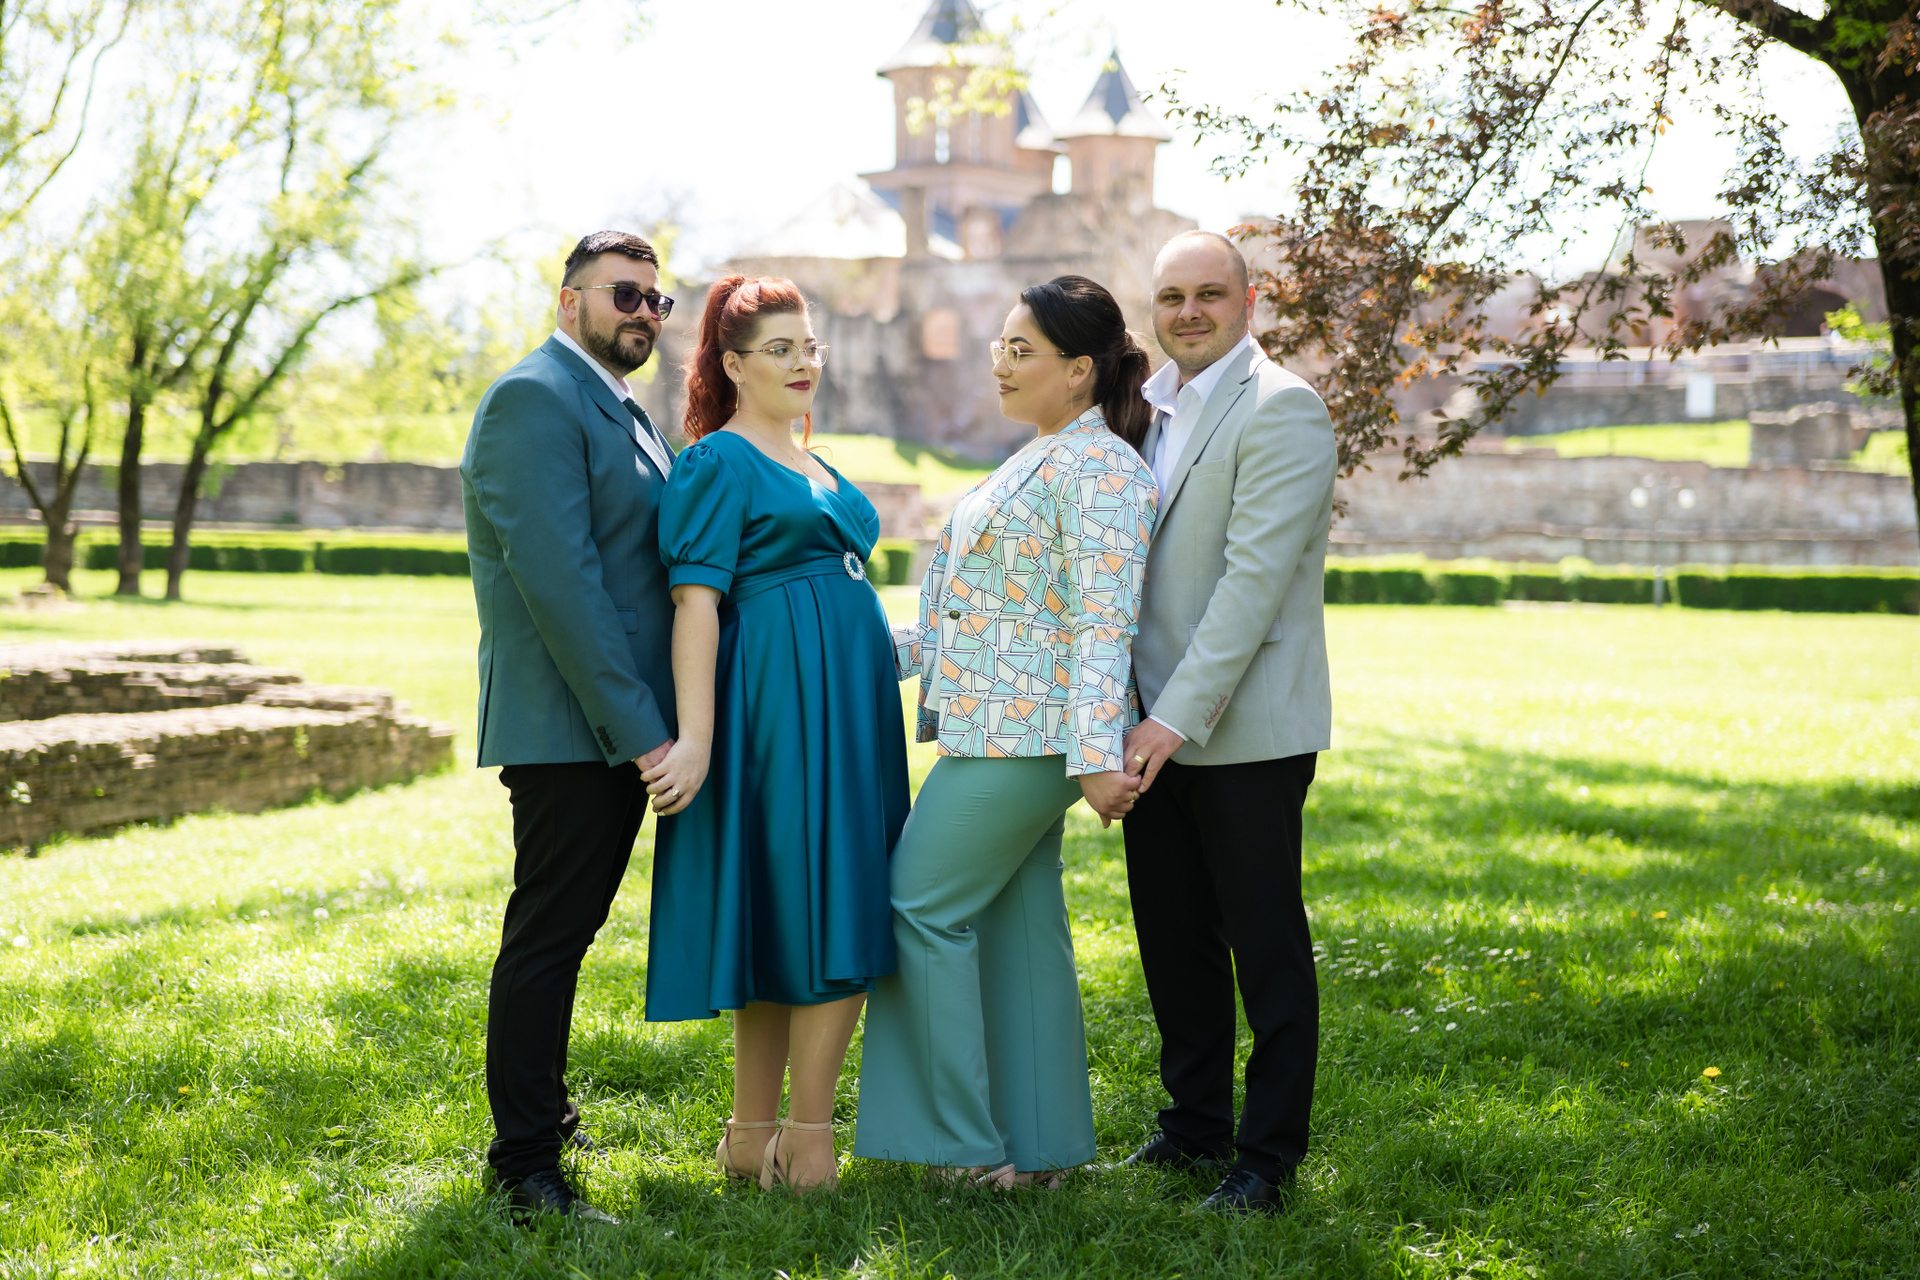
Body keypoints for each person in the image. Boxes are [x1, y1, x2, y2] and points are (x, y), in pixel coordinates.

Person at [853, 275, 1157, 1188]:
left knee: (917, 908)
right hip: (1002, 727)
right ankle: (1040, 1150)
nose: (1001, 363)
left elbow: (1104, 622)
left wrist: (1096, 755)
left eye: (1021, 351)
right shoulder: (1044, 454)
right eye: (1000, 346)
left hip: (1030, 738)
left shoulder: (1103, 470)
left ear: (1080, 369)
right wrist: (850, 652)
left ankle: (960, 1146)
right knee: (1021, 929)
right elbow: (982, 615)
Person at [642, 274, 909, 1194]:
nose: (803, 364)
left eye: (810, 347)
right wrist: (697, 739)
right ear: (731, 364)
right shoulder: (718, 461)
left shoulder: (814, 459)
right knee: (827, 900)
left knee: (791, 911)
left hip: (850, 705)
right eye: (780, 350)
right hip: (779, 708)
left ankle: (751, 1136)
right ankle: (806, 1140)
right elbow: (695, 604)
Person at [460, 230, 683, 1222]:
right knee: (548, 935)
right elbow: (564, 587)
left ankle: (545, 1112)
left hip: (611, 720)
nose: (644, 312)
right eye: (624, 294)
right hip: (569, 724)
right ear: (569, 301)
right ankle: (523, 1166)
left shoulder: (617, 405)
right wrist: (643, 733)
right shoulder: (534, 398)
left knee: (569, 928)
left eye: (656, 300)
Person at [1116, 230, 1338, 1214]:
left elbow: (1252, 586)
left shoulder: (1283, 406)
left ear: (1250, 302)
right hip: (1148, 724)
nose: (1189, 311)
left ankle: (1267, 1158)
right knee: (1174, 939)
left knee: (1264, 945)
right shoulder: (1144, 412)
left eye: (1210, 293)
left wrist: (1168, 721)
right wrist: (1131, 715)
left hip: (1246, 728)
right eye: (1171, 296)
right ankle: (1193, 1126)